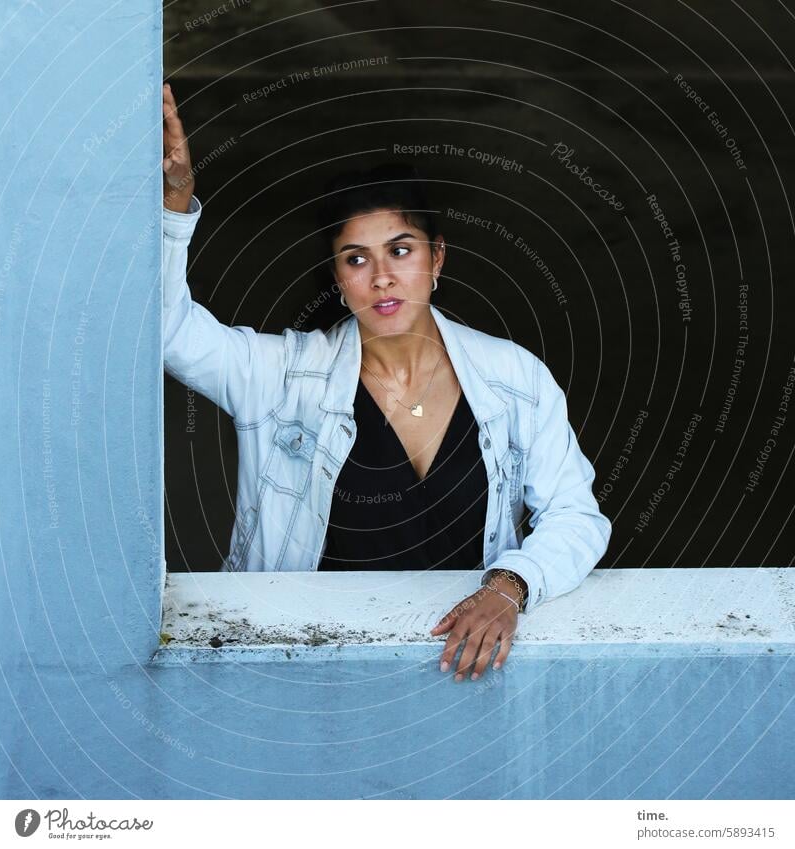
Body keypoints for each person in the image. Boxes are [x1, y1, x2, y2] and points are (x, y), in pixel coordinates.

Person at [161, 82, 611, 681]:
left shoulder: (513, 379)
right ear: (338, 277)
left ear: (438, 258)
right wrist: (172, 208)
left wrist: (510, 587)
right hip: (302, 675)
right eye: (356, 258)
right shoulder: (281, 376)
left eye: (400, 250)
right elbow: (167, 331)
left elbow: (577, 515)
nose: (381, 277)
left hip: (464, 675)